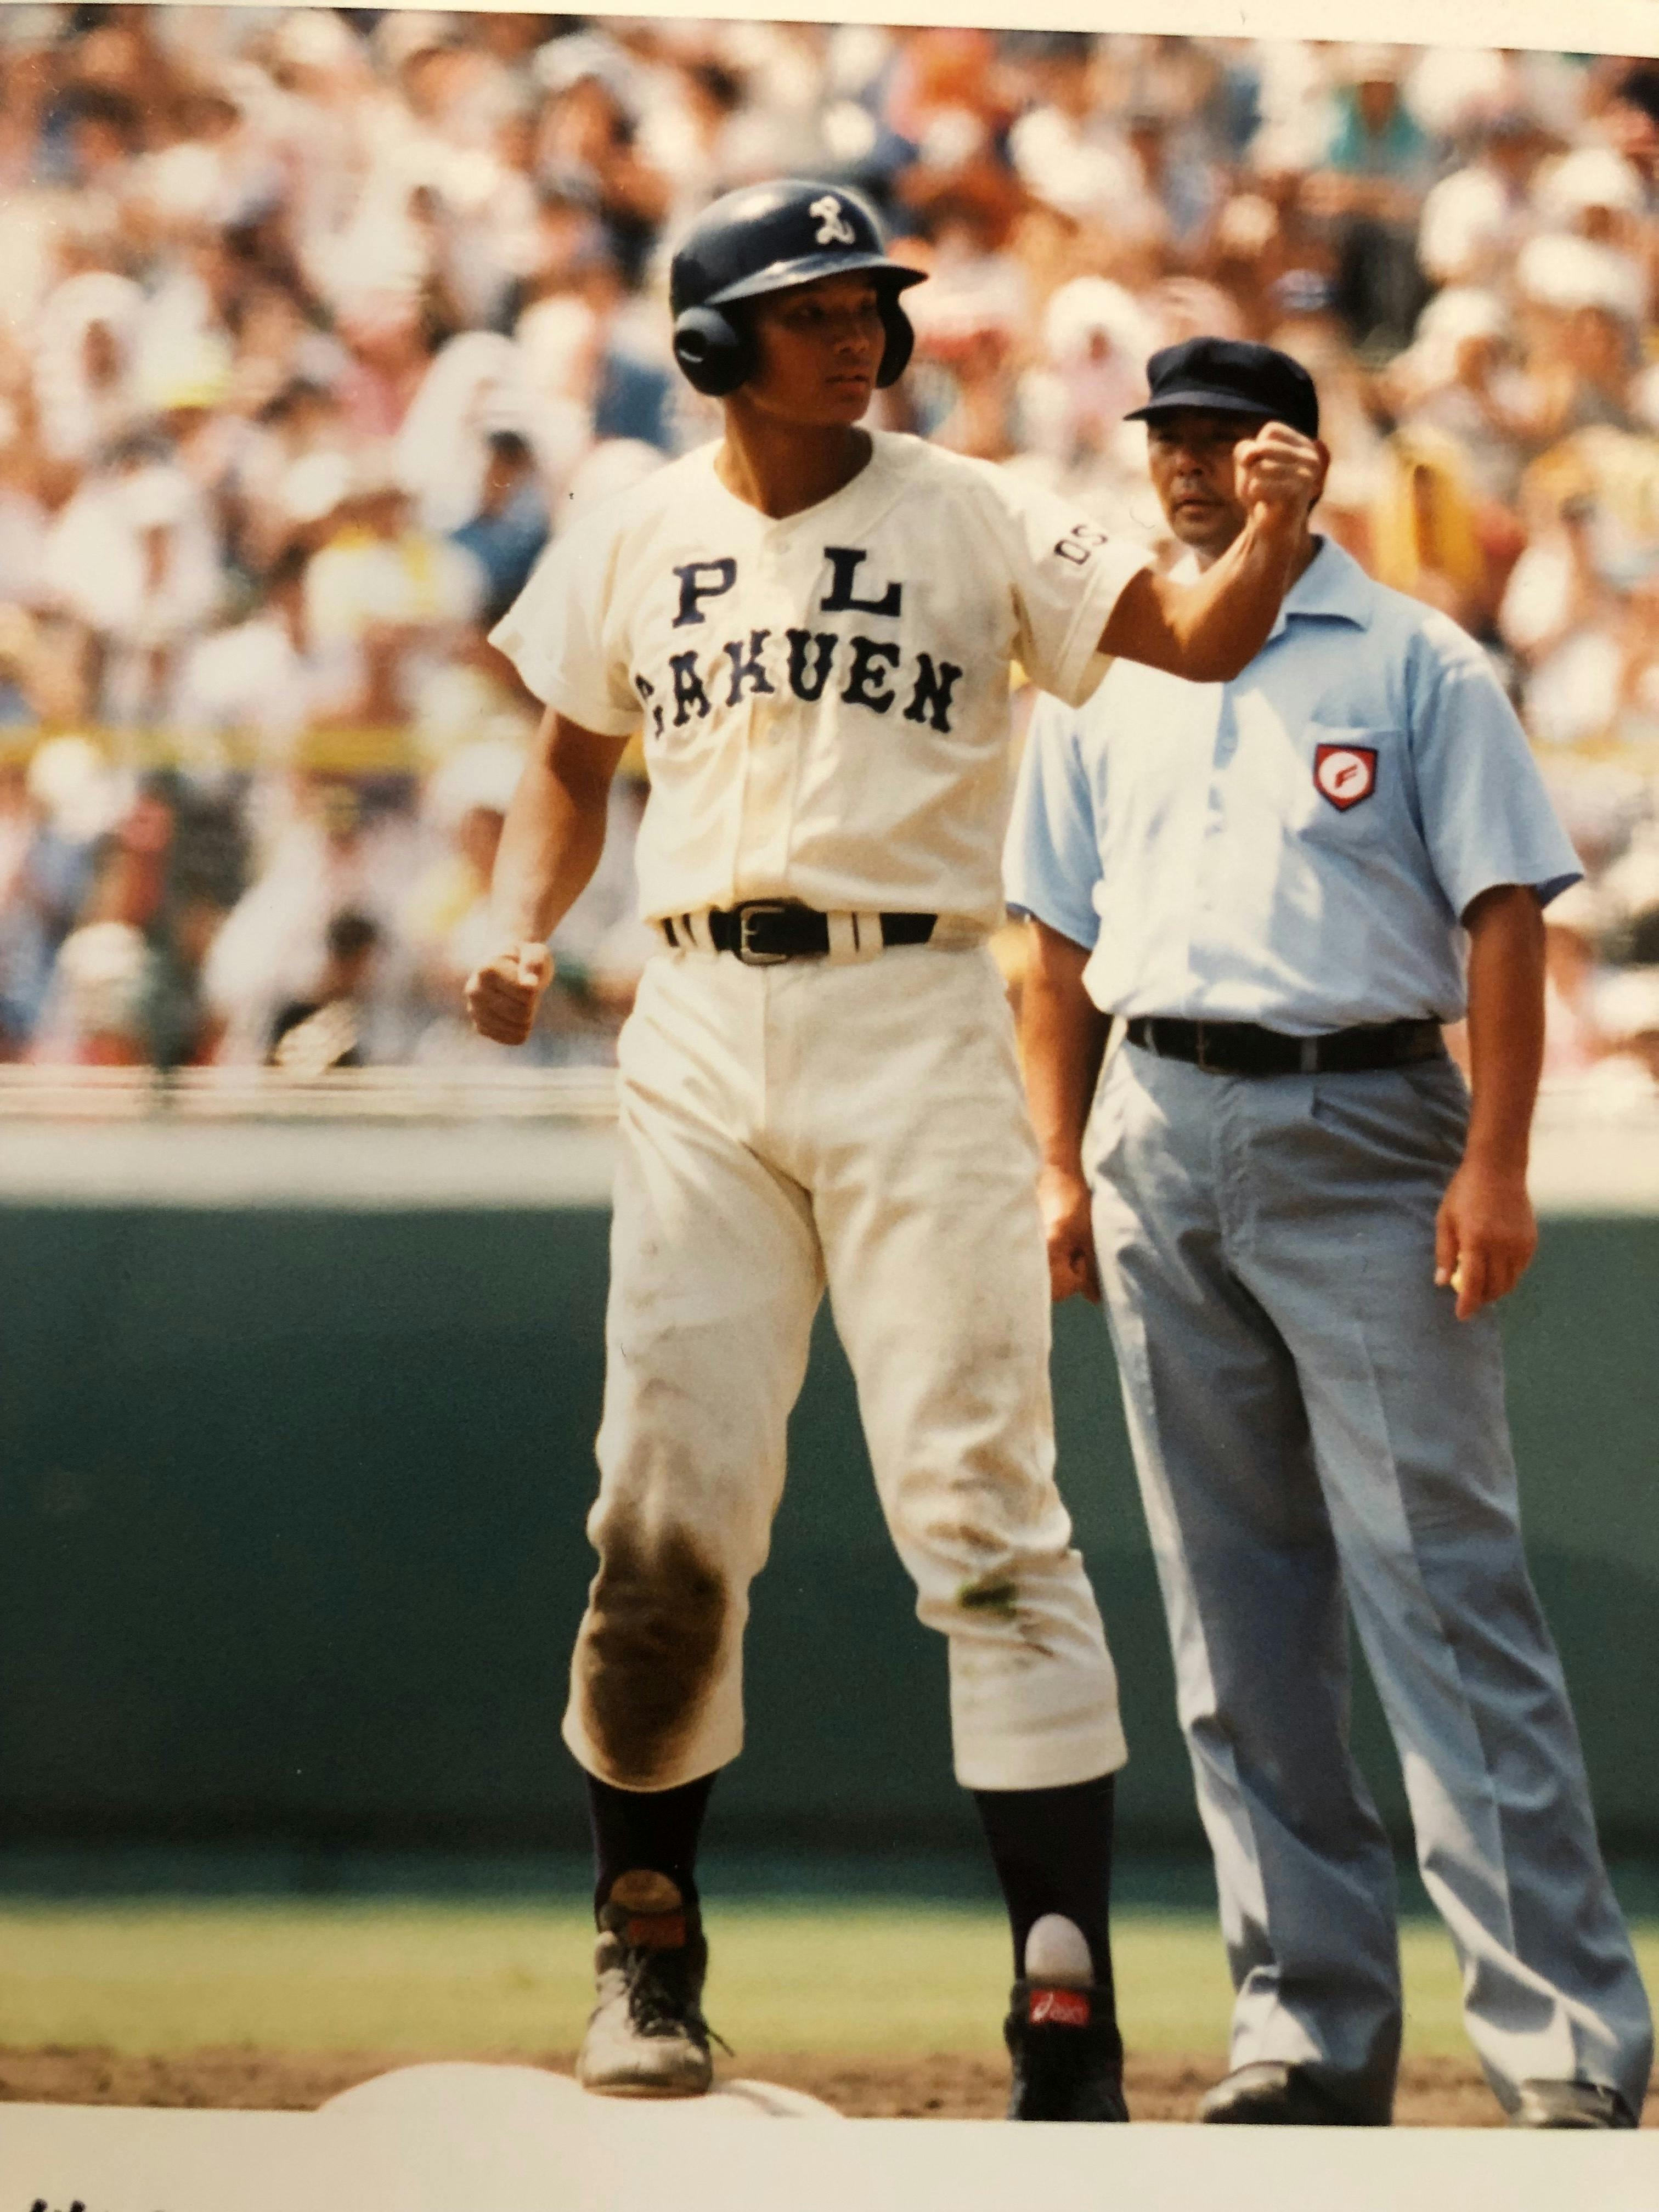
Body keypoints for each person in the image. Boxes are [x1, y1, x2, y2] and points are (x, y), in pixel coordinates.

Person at [464, 183, 1321, 2118]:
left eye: (870, 301)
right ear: (710, 347)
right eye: (810, 306)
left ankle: (1065, 2009)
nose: (856, 331)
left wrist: (1271, 530)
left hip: (919, 1010)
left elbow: (1189, 637)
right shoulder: (633, 530)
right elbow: (567, 755)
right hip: (694, 1020)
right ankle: (650, 1956)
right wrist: (519, 923)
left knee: (986, 1516)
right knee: (661, 1520)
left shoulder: (977, 505)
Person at [1006, 335, 1654, 2132]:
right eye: (1175, 441)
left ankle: (1565, 2048)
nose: (1197, 468)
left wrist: (1499, 1162)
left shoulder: (1413, 655)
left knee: (1444, 1593)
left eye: (1229, 438)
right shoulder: (1112, 670)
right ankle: (1305, 2031)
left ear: (1301, 451)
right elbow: (1051, 941)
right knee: (1234, 1621)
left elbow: (1505, 914)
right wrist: (1057, 1164)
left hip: (1368, 1116)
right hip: (1160, 1117)